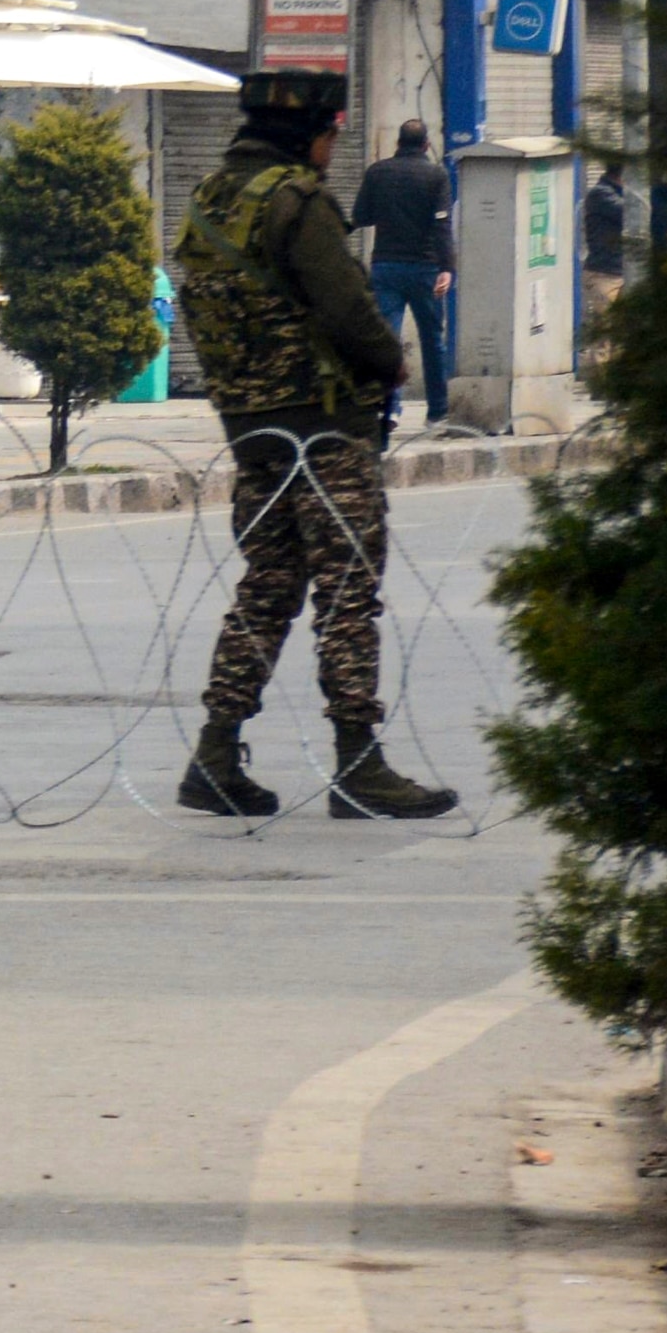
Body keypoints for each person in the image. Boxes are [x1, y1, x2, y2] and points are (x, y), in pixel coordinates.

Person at [172, 74, 457, 821]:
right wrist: (391, 364)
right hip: (325, 428)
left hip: (253, 430)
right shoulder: (297, 201)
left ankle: (214, 754)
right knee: (346, 592)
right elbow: (347, 307)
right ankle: (359, 764)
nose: (332, 149)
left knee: (268, 586)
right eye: (331, 134)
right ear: (308, 134)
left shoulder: (208, 200)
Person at [345, 119, 455, 427]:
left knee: (387, 340)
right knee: (432, 340)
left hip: (386, 267)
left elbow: (361, 216)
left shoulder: (377, 172)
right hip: (425, 268)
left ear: (398, 143)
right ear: (426, 145)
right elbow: (442, 226)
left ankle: (389, 409)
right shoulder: (436, 176)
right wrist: (447, 268)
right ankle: (437, 411)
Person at [582, 164, 631, 326]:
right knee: (607, 327)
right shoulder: (601, 193)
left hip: (625, 272)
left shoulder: (622, 193)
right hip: (603, 274)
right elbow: (628, 213)